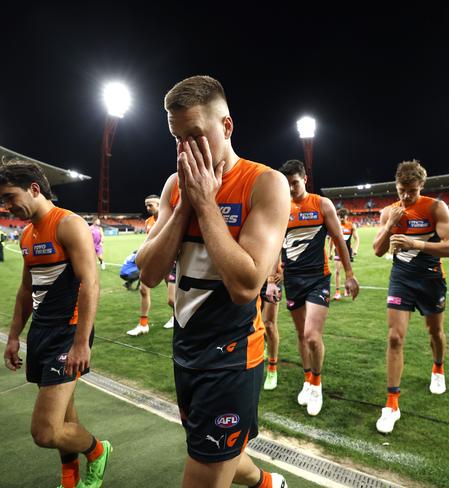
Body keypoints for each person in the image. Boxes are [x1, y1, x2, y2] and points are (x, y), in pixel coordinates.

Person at [136, 75, 290, 488]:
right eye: (176, 139)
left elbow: (245, 286)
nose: (185, 150)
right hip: (185, 350)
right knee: (221, 452)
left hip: (232, 358)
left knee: (206, 464)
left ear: (226, 127)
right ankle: (267, 484)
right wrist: (187, 201)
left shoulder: (265, 184)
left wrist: (205, 204)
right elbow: (148, 273)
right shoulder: (175, 186)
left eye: (195, 136)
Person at [0, 160, 112, 488]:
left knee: (45, 432)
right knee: (65, 413)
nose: (7, 206)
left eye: (10, 196)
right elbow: (26, 290)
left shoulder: (68, 224)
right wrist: (14, 337)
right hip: (40, 332)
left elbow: (90, 283)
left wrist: (81, 341)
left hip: (68, 334)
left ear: (35, 189)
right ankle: (69, 478)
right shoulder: (27, 234)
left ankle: (97, 451)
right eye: (2, 200)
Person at [372, 160, 449, 434]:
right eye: (401, 190)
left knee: (435, 332)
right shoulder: (389, 211)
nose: (406, 196)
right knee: (394, 337)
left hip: (431, 279)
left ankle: (438, 368)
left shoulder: (435, 207)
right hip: (401, 280)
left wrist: (415, 243)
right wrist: (390, 227)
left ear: (421, 186)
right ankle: (391, 404)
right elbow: (377, 250)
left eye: (411, 191)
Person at [279, 159, 360, 416]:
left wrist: (349, 274)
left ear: (304, 178)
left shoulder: (322, 204)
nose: (291, 188)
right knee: (301, 335)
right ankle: (307, 378)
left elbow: (338, 239)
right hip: (292, 279)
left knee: (313, 335)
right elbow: (274, 243)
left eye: (294, 182)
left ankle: (316, 384)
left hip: (318, 278)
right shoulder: (280, 207)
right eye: (287, 184)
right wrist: (272, 276)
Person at [127, 195, 176, 336]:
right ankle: (143, 325)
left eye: (151, 205)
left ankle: (176, 317)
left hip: (169, 260)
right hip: (153, 261)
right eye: (146, 205)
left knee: (172, 299)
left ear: (160, 204)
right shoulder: (148, 221)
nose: (148, 208)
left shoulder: (170, 218)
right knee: (143, 289)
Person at [329, 208, 360, 300]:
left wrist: (355, 250)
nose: (341, 218)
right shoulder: (335, 225)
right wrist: (330, 251)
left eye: (343, 216)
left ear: (346, 216)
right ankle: (337, 292)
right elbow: (331, 239)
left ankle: (347, 289)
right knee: (337, 271)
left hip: (348, 251)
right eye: (339, 216)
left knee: (348, 272)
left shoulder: (351, 226)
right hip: (338, 251)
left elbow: (357, 239)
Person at [261, 260, 283, 391]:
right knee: (255, 321)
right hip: (254, 276)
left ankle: (272, 369)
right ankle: (266, 345)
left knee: (269, 324)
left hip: (274, 279)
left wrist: (284, 272)